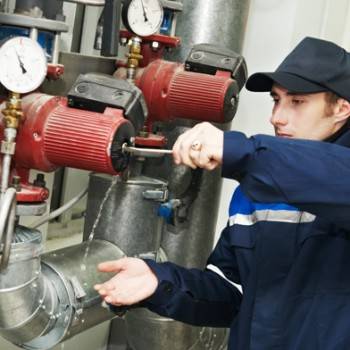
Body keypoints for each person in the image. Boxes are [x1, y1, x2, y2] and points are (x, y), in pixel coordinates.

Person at [94, 37, 350, 349]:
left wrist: (240, 151)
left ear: (341, 108)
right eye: (276, 100)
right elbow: (231, 295)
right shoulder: (257, 192)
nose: (277, 117)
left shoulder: (330, 177)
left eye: (297, 102)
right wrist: (160, 284)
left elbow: (328, 176)